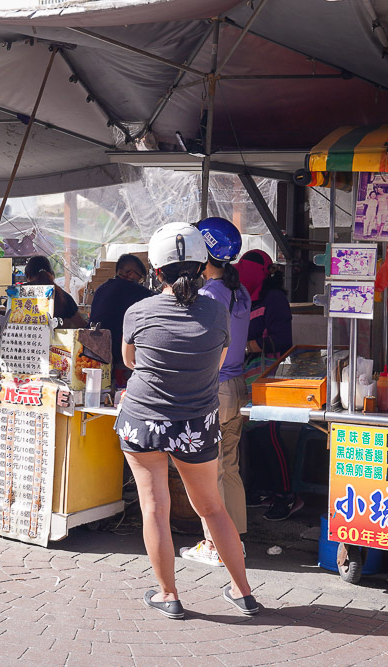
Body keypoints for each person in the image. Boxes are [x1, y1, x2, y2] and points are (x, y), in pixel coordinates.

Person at [116, 222, 259, 620]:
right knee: (212, 509)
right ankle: (243, 593)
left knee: (154, 509)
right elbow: (214, 364)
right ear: (202, 268)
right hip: (196, 422)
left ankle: (168, 595)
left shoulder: (139, 311)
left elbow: (130, 362)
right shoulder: (216, 310)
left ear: (156, 271)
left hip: (143, 419)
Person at [180, 218, 250, 567]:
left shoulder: (208, 294)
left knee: (213, 470)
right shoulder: (240, 290)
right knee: (230, 465)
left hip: (215, 386)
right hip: (237, 386)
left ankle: (216, 545)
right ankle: (235, 540)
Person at [237, 249, 299, 521]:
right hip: (244, 375)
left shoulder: (274, 299)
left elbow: (283, 340)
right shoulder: (241, 298)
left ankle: (288, 495)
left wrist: (248, 345)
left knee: (270, 434)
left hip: (270, 375)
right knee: (254, 435)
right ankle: (264, 490)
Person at [89, 254, 154, 386]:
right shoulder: (131, 289)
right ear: (130, 274)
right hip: (117, 355)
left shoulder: (102, 288)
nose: (140, 283)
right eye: (140, 278)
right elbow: (159, 300)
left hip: (94, 352)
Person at [23, 255, 88, 328]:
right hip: (57, 339)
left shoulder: (17, 296)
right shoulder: (64, 296)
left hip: (21, 338)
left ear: (28, 276)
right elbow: (82, 324)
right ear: (52, 274)